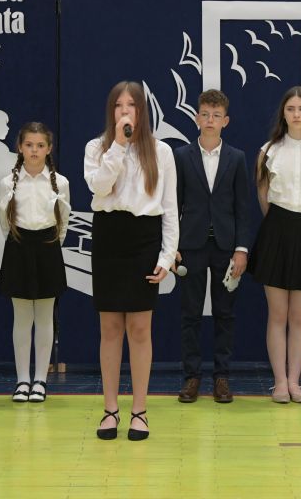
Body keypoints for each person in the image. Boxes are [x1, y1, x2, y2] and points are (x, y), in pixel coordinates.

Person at [83, 81, 178, 440]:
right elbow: (99, 187)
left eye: (131, 105)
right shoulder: (97, 147)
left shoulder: (161, 151)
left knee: (140, 328)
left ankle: (140, 410)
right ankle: (110, 409)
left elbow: (170, 208)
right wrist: (119, 147)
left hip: (144, 238)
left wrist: (166, 255)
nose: (125, 111)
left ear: (142, 110)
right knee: (110, 328)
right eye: (118, 105)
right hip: (109, 235)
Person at [248, 86, 301, 404]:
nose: (296, 114)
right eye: (291, 109)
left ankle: (296, 382)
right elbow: (263, 195)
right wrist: (280, 222)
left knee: (299, 315)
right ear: (283, 114)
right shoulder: (269, 150)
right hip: (276, 230)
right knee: (278, 313)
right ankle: (280, 382)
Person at [173, 89, 251, 404]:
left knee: (224, 314)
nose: (210, 120)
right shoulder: (181, 156)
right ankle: (191, 377)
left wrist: (242, 248)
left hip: (225, 246)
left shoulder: (236, 157)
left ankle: (222, 377)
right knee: (190, 313)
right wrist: (172, 245)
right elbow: (173, 204)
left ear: (225, 121)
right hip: (190, 245)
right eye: (205, 114)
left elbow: (243, 208)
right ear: (196, 117)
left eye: (216, 115)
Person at [0, 122, 70, 403]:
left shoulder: (60, 182)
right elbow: (4, 222)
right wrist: (20, 240)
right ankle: (22, 380)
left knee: (45, 316)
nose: (34, 150)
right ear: (20, 147)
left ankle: (40, 380)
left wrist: (50, 244)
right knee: (22, 317)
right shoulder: (8, 183)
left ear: (49, 149)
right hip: (18, 246)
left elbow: (63, 223)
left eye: (40, 145)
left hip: (48, 247)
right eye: (29, 145)